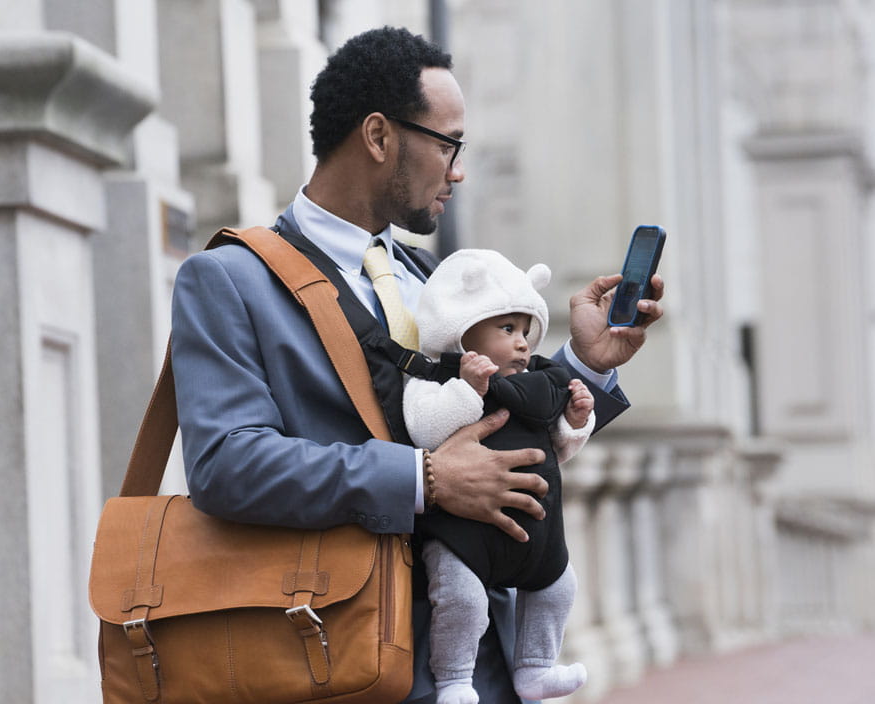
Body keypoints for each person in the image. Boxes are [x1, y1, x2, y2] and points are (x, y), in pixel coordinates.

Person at [169, 26, 664, 704]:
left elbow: (500, 421)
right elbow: (227, 465)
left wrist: (586, 362)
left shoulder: (430, 279)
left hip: (483, 664)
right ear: (379, 137)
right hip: (337, 658)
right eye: (447, 143)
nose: (458, 171)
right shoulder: (229, 279)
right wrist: (424, 479)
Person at [404, 249, 595, 703]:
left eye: (526, 331)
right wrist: (468, 391)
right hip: (462, 536)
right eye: (507, 329)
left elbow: (556, 449)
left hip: (536, 534)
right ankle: (452, 680)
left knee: (560, 587)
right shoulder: (435, 378)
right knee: (461, 600)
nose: (523, 343)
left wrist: (574, 419)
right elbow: (423, 429)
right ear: (461, 330)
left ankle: (536, 667)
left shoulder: (537, 385)